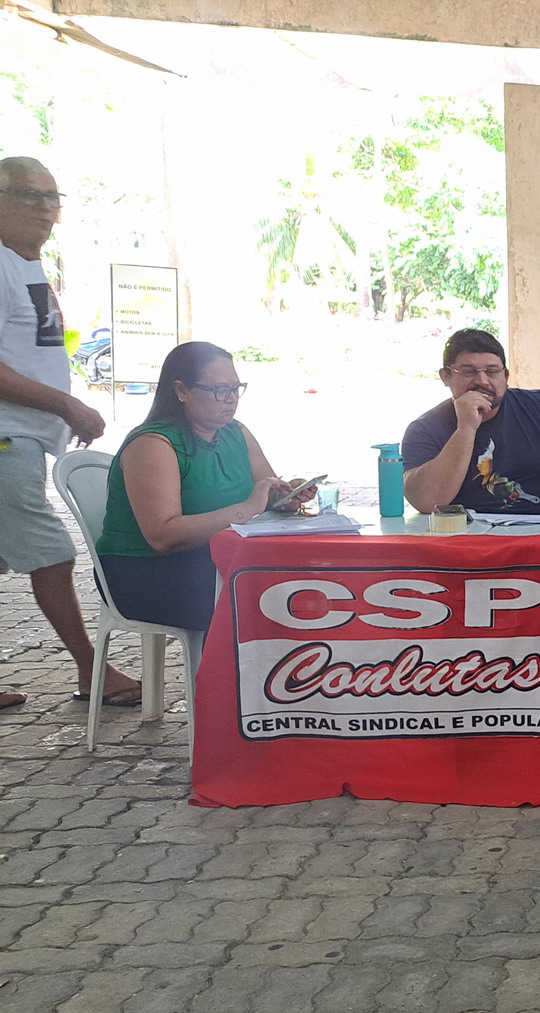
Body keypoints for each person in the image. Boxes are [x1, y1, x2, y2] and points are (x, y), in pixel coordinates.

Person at [0, 155, 138, 709]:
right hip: (7, 437)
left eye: (52, 197)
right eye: (29, 195)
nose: (45, 208)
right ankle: (93, 670)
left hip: (26, 435)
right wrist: (67, 405)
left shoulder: (25, 264)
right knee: (53, 553)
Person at [97, 342, 309, 633]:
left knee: (304, 581)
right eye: (220, 390)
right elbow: (164, 536)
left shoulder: (236, 432)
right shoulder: (154, 444)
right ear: (181, 390)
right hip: (146, 571)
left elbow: (269, 494)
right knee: (268, 596)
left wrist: (290, 495)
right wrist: (246, 510)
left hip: (213, 559)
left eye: (236, 388)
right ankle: (234, 665)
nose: (231, 399)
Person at [403, 329, 540, 514]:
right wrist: (466, 429)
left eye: (492, 371)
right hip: (464, 542)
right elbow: (427, 502)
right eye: (468, 371)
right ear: (446, 377)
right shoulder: (425, 429)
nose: (482, 381)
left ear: (506, 376)